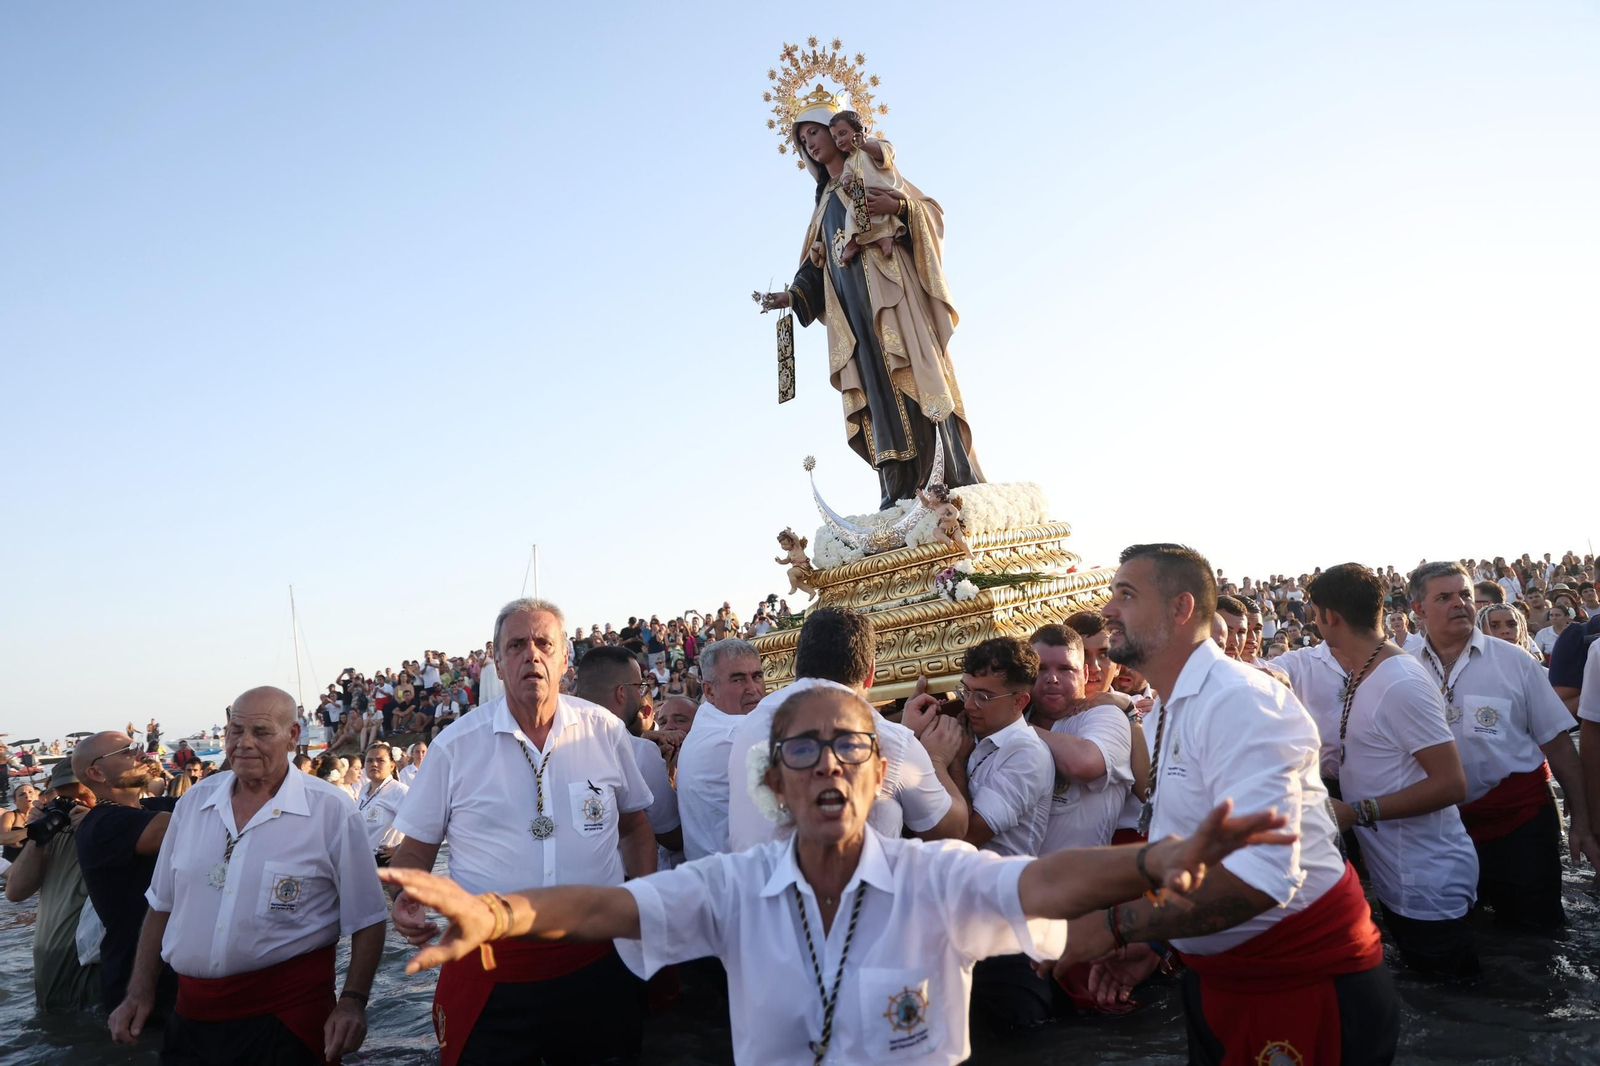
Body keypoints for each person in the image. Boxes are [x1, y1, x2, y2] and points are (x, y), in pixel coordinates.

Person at [377, 684, 1292, 1066]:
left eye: (849, 746)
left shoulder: (936, 879)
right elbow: (607, 903)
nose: (828, 765)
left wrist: (1150, 863)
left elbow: (1040, 888)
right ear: (776, 782)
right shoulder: (733, 890)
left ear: (879, 773)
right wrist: (492, 914)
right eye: (803, 750)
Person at [1052, 544, 1400, 1065]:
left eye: (1126, 594)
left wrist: (1113, 926)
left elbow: (1263, 875)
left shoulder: (1240, 700)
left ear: (1180, 608)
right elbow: (1194, 846)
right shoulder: (1168, 708)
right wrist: (1158, 943)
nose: (1108, 610)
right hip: (1226, 980)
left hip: (1303, 985)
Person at [388, 599, 655, 1066]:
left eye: (543, 644)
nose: (531, 655)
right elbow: (414, 853)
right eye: (516, 645)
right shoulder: (454, 747)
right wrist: (407, 899)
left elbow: (635, 828)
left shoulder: (605, 731)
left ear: (564, 659)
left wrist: (643, 901)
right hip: (492, 973)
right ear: (496, 660)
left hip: (595, 964)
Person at [109, 687, 387, 1064]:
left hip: (285, 1020)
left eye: (261, 732)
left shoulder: (331, 811)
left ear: (292, 736)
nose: (244, 743)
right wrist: (139, 991)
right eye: (235, 730)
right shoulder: (193, 803)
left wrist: (353, 1001)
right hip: (190, 1020)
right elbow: (161, 905)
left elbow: (368, 919)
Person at [754, 88, 983, 511]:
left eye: (813, 132)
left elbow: (928, 210)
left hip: (892, 297)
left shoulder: (871, 168)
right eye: (802, 140)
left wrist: (897, 206)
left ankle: (946, 479)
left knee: (914, 374)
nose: (809, 143)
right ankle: (898, 491)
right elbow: (815, 264)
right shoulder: (823, 204)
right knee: (878, 395)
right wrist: (791, 295)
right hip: (854, 315)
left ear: (835, 130)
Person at [1307, 564, 1479, 977]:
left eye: (1314, 614)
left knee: (1452, 1004)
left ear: (1329, 616)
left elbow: (1451, 783)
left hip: (1428, 882)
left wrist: (1356, 812)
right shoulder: (1368, 671)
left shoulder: (1398, 681)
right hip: (1402, 876)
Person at [1408, 561, 1598, 929]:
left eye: (1464, 594)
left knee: (1536, 937)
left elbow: (1559, 747)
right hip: (1443, 831)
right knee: (1466, 935)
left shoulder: (1516, 663)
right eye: (1444, 597)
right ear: (1418, 609)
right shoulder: (1405, 670)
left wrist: (1582, 823)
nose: (1459, 603)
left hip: (1520, 825)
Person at [728, 607, 967, 852]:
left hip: (752, 885)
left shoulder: (749, 723)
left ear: (796, 664)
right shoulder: (887, 740)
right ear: (870, 672)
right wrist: (936, 759)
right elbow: (952, 832)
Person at [940, 636, 1056, 1031]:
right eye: (966, 691)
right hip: (967, 917)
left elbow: (969, 834)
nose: (970, 705)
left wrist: (947, 763)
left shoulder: (1026, 753)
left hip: (1008, 925)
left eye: (984, 697)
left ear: (1020, 701)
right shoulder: (979, 739)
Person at [73, 732, 177, 1019]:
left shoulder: (151, 808)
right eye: (127, 752)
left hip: (171, 971)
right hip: (138, 982)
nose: (141, 755)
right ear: (96, 772)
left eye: (138, 748)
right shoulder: (101, 825)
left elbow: (203, 803)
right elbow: (180, 826)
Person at [572, 645, 684, 860]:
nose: (643, 692)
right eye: (640, 686)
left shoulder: (552, 745)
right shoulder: (641, 752)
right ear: (622, 693)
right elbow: (673, 836)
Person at [4, 760, 100, 1011]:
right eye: (65, 797)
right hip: (52, 960)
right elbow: (15, 892)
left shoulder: (114, 825)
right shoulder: (52, 833)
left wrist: (97, 823)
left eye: (83, 794)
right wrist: (37, 837)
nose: (75, 804)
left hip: (94, 960)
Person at [677, 639, 765, 860]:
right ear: (709, 690)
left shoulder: (708, 725)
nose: (753, 689)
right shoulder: (737, 735)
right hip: (740, 882)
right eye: (738, 679)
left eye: (757, 676)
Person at [356, 743, 408, 864]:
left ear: (392, 766)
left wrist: (400, 848)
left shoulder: (399, 791)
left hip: (386, 860)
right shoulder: (364, 791)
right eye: (369, 761)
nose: (374, 764)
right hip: (365, 858)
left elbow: (419, 823)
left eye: (380, 760)